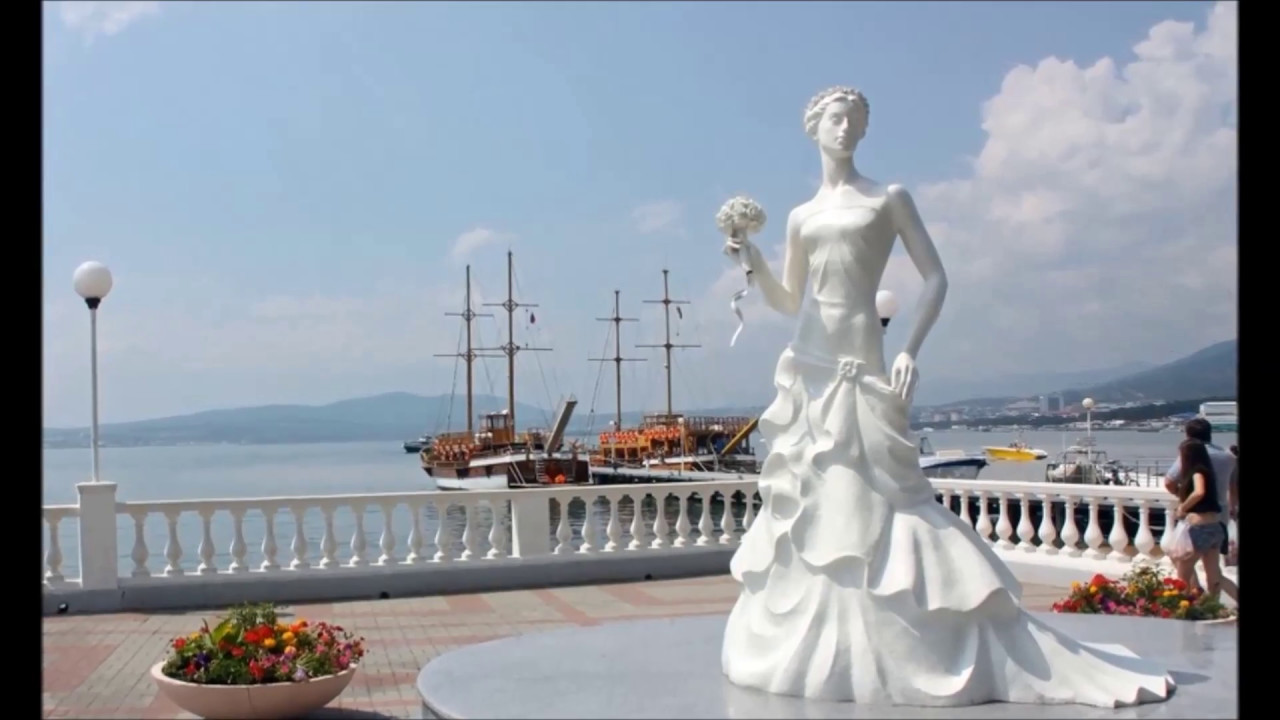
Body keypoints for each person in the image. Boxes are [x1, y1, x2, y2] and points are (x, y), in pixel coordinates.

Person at [719, 85, 1172, 708]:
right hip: (810, 367)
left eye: (855, 120)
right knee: (817, 504)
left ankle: (895, 644)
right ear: (814, 128)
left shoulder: (888, 197)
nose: (845, 128)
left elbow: (936, 277)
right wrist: (752, 260)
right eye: (835, 119)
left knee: (882, 498)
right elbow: (792, 302)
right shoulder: (801, 216)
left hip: (863, 365)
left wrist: (909, 349)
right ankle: (824, 647)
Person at [1168, 438, 1238, 603]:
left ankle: (1183, 605)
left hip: (1199, 528)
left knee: (1183, 571)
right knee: (1214, 575)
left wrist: (1183, 507)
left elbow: (1199, 492)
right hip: (1215, 526)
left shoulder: (1197, 472)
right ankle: (1212, 606)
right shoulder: (1209, 473)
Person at [1163, 418, 1235, 565]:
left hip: (1197, 514)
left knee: (1180, 558)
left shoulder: (1192, 455)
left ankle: (1192, 581)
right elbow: (1233, 485)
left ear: (1188, 436)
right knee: (1212, 566)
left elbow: (1169, 482)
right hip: (1221, 513)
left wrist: (1182, 496)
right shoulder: (1228, 456)